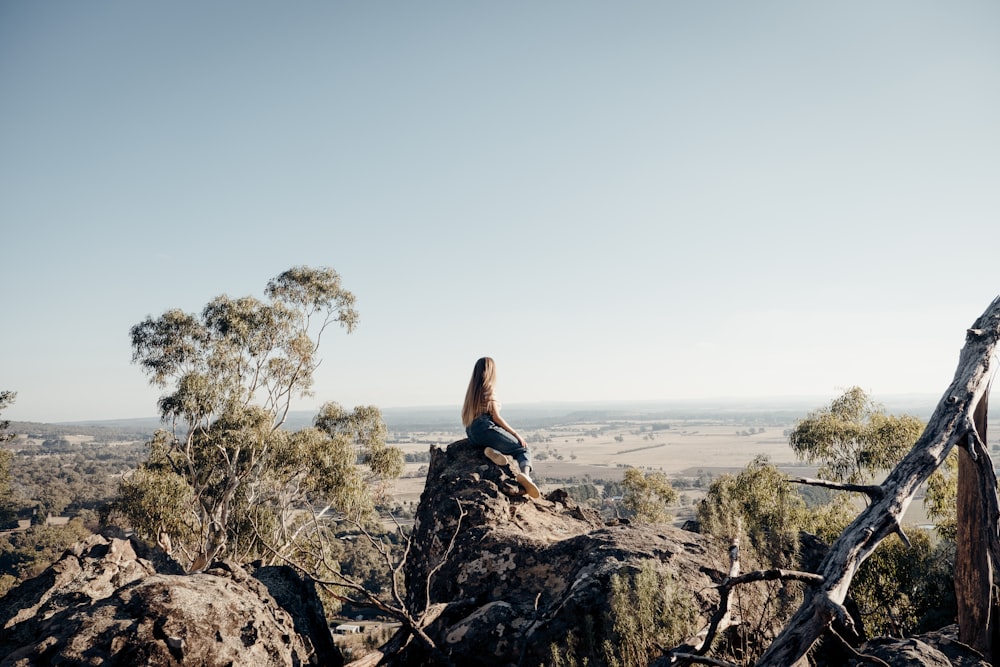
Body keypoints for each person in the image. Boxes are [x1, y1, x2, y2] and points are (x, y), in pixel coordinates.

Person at [461, 356, 540, 499]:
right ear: (491, 371)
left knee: (498, 441)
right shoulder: (489, 389)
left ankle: (492, 450)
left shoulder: (471, 392)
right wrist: (516, 434)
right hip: (486, 428)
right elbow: (496, 417)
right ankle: (526, 477)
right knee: (522, 448)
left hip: (472, 433)